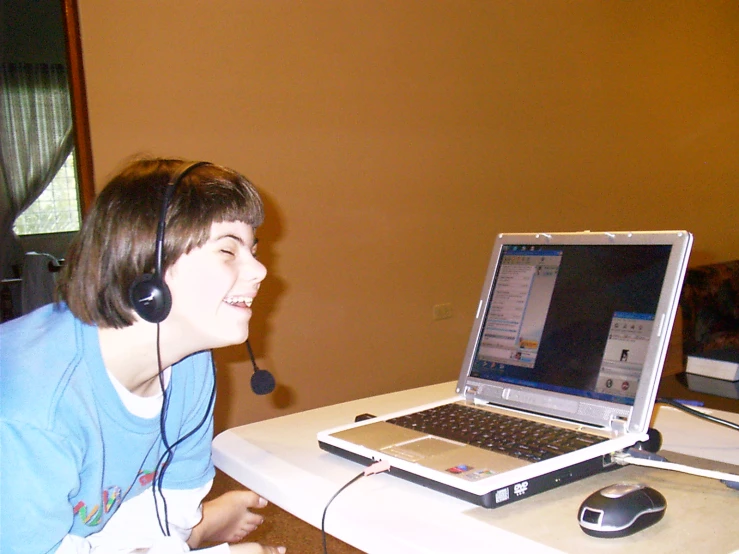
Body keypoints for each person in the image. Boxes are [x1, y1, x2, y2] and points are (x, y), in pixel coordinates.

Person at [0, 157, 286, 554]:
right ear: (146, 265)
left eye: (252, 251)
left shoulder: (187, 360)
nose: (259, 270)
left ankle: (196, 533)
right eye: (228, 251)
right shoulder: (30, 411)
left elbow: (174, 492)